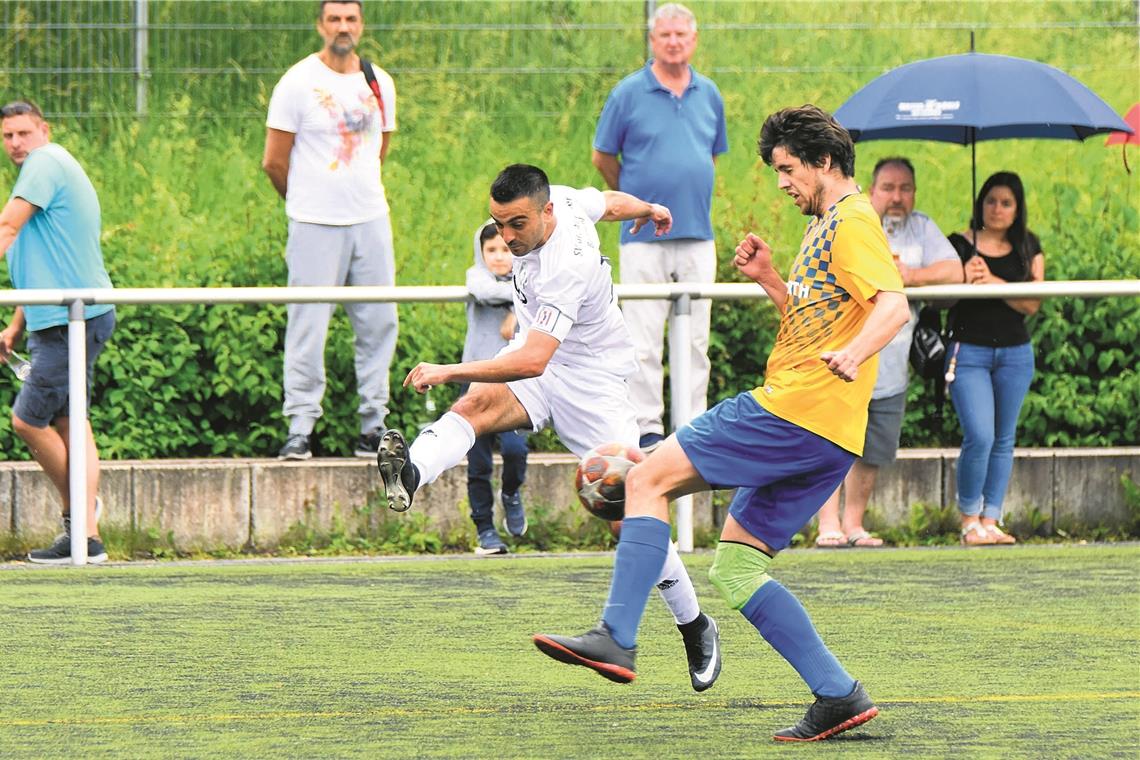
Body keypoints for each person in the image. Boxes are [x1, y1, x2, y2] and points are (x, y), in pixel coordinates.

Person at [533, 106, 911, 741]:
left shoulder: (851, 223)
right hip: (829, 435)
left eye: (788, 170)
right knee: (735, 568)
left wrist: (855, 353)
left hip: (793, 410)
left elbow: (894, 306)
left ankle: (617, 637)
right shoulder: (829, 225)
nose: (783, 183)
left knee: (646, 476)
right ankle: (838, 694)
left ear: (823, 163)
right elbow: (818, 324)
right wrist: (770, 279)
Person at [379, 164, 722, 692]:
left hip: (593, 380)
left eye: (516, 224)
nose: (506, 237)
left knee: (627, 513)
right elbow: (606, 201)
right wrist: (650, 208)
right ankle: (411, 474)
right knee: (474, 408)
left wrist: (450, 369)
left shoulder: (569, 264)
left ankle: (695, 624)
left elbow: (536, 358)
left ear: (545, 213)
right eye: (497, 225)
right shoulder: (560, 198)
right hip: (540, 359)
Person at [263, 0, 398, 461]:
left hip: (371, 219)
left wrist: (353, 194)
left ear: (361, 25)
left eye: (351, 19)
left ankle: (373, 424)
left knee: (380, 323)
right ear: (321, 25)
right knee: (307, 325)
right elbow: (274, 160)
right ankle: (300, 426)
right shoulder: (297, 82)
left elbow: (379, 149)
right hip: (314, 224)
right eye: (335, 19)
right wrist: (306, 201)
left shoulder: (378, 82)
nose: (343, 27)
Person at [591, 2, 727, 451]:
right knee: (643, 338)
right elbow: (603, 158)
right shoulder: (628, 93)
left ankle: (692, 425)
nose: (673, 42)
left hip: (697, 235)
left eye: (681, 35)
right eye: (665, 35)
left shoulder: (709, 93)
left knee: (696, 340)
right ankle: (648, 428)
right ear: (652, 40)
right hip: (642, 238)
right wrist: (635, 204)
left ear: (694, 40)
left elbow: (709, 157)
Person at [815, 157, 963, 548]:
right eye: (888, 188)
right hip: (844, 355)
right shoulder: (852, 221)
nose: (897, 197)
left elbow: (954, 272)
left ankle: (854, 523)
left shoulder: (921, 228)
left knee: (874, 449)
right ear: (871, 188)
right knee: (833, 442)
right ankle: (826, 523)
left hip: (893, 362)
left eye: (905, 188)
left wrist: (909, 276)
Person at [0, 99, 116, 564]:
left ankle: (82, 516)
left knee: (27, 421)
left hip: (73, 319)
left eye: (23, 133)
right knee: (71, 421)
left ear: (43, 130)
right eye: (7, 136)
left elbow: (8, 227)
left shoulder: (46, 162)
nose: (15, 144)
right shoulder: (43, 171)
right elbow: (41, 262)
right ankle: (85, 538)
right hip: (60, 318)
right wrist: (13, 325)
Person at [945, 171, 1045, 546]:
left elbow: (1032, 303)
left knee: (1004, 438)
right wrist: (963, 279)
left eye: (1006, 203)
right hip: (968, 351)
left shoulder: (1028, 246)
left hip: (1015, 353)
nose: (997, 209)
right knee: (980, 435)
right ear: (980, 203)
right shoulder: (958, 244)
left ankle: (992, 518)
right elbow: (942, 300)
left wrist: (995, 284)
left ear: (1017, 209)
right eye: (991, 200)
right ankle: (969, 519)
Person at [463, 222, 529, 555]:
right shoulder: (476, 277)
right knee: (479, 464)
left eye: (505, 249)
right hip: (475, 380)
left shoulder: (529, 281)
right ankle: (485, 530)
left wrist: (518, 312)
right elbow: (487, 292)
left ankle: (511, 493)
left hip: (513, 384)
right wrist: (517, 303)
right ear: (481, 252)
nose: (499, 257)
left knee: (516, 451)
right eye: (492, 250)